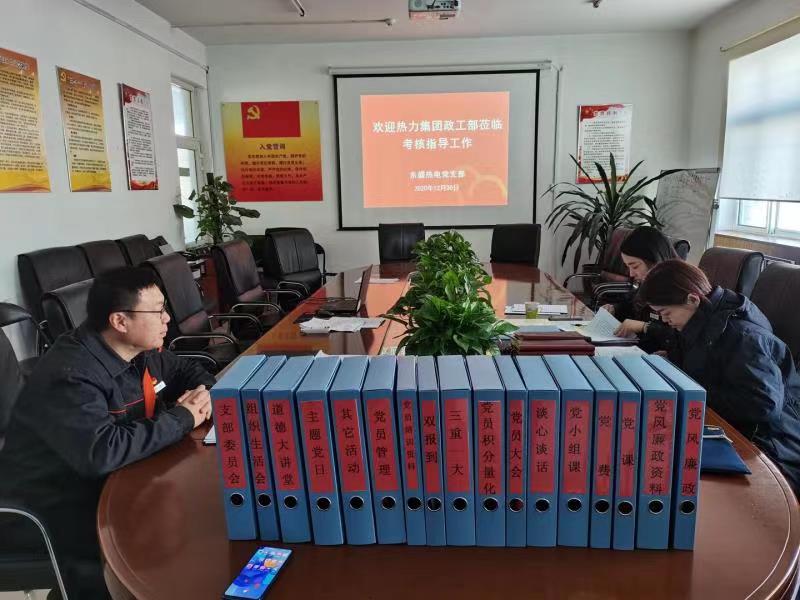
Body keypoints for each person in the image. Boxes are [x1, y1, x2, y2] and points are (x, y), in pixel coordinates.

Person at [0, 267, 216, 598]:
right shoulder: (71, 374)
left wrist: (205, 394)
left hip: (108, 485)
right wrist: (183, 417)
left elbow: (185, 369)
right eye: (158, 311)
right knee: (166, 546)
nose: (167, 319)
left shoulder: (140, 350)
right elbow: (103, 452)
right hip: (49, 508)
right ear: (120, 321)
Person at [638, 259, 800, 494]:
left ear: (692, 299)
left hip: (770, 445)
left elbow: (762, 405)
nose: (664, 320)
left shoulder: (744, 337)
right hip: (727, 426)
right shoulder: (698, 322)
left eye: (666, 312)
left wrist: (695, 390)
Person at [600, 226, 679, 352]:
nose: (631, 274)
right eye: (628, 267)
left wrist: (645, 326)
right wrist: (615, 308)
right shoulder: (649, 281)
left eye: (635, 266)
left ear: (655, 260)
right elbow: (633, 305)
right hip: (636, 346)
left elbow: (680, 338)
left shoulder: (679, 287)